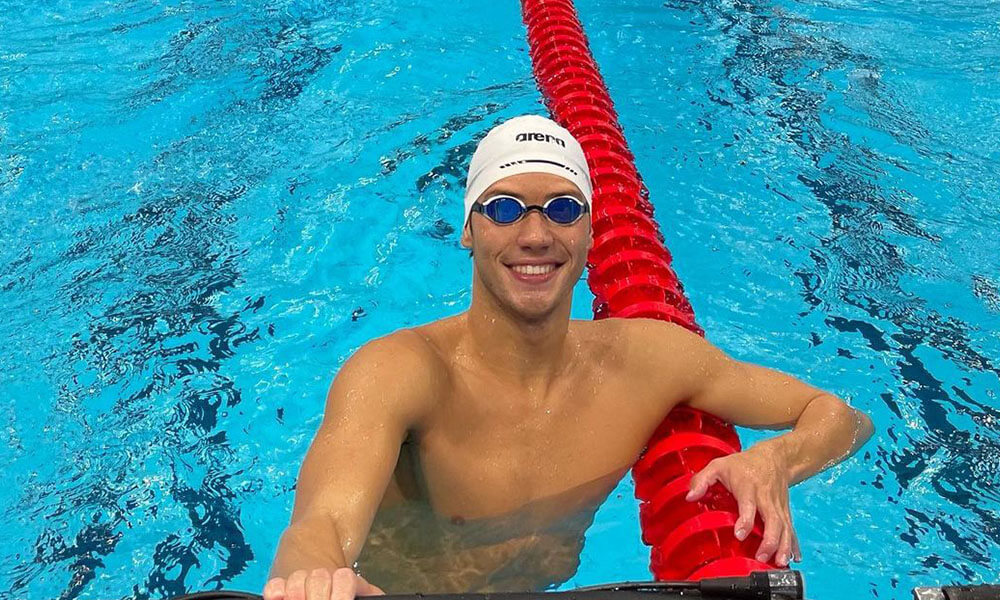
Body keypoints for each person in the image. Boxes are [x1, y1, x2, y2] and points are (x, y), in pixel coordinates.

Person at [262, 115, 875, 600]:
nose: (534, 235)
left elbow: (842, 417)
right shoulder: (401, 372)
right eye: (503, 208)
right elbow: (320, 528)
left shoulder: (648, 361)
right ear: (469, 230)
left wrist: (778, 460)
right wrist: (317, 577)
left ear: (588, 232)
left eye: (562, 208)